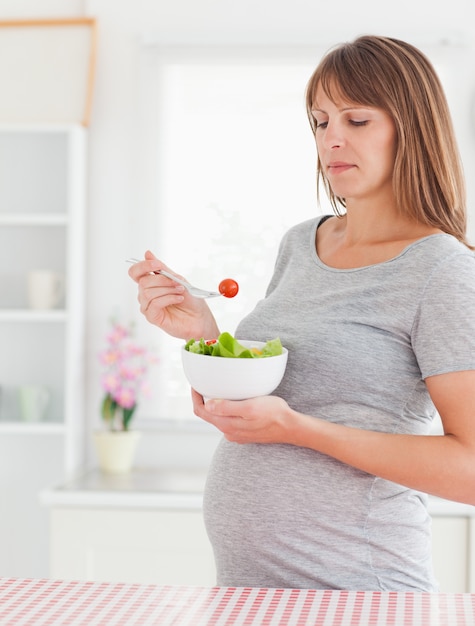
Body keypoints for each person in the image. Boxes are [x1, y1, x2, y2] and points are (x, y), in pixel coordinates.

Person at [128, 35, 475, 591]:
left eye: (356, 120)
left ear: (412, 127)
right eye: (319, 122)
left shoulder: (442, 270)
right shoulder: (300, 244)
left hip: (358, 593)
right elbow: (286, 390)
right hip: (249, 589)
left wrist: (298, 430)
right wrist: (207, 333)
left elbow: (471, 467)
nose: (331, 139)